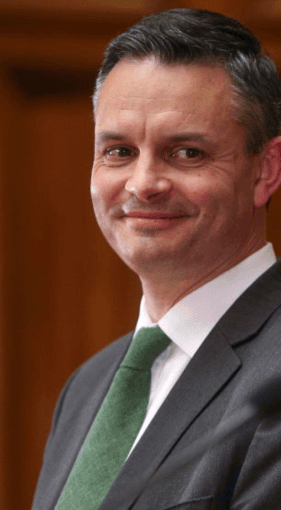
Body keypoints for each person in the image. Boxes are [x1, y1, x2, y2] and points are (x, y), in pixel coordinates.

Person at [32, 9, 281, 510]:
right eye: (119, 152)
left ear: (265, 171)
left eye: (186, 153)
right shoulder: (87, 387)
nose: (143, 184)